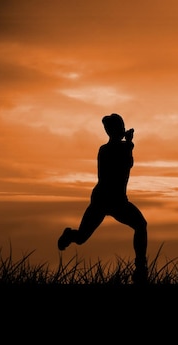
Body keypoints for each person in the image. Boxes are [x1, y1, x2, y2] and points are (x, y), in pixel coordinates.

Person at [57, 113, 148, 284]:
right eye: (119, 127)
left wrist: (128, 144)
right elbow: (127, 164)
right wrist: (129, 143)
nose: (122, 129)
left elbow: (126, 163)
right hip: (110, 200)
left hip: (110, 199)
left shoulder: (111, 148)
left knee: (140, 225)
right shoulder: (113, 149)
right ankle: (141, 268)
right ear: (113, 130)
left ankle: (141, 268)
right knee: (83, 237)